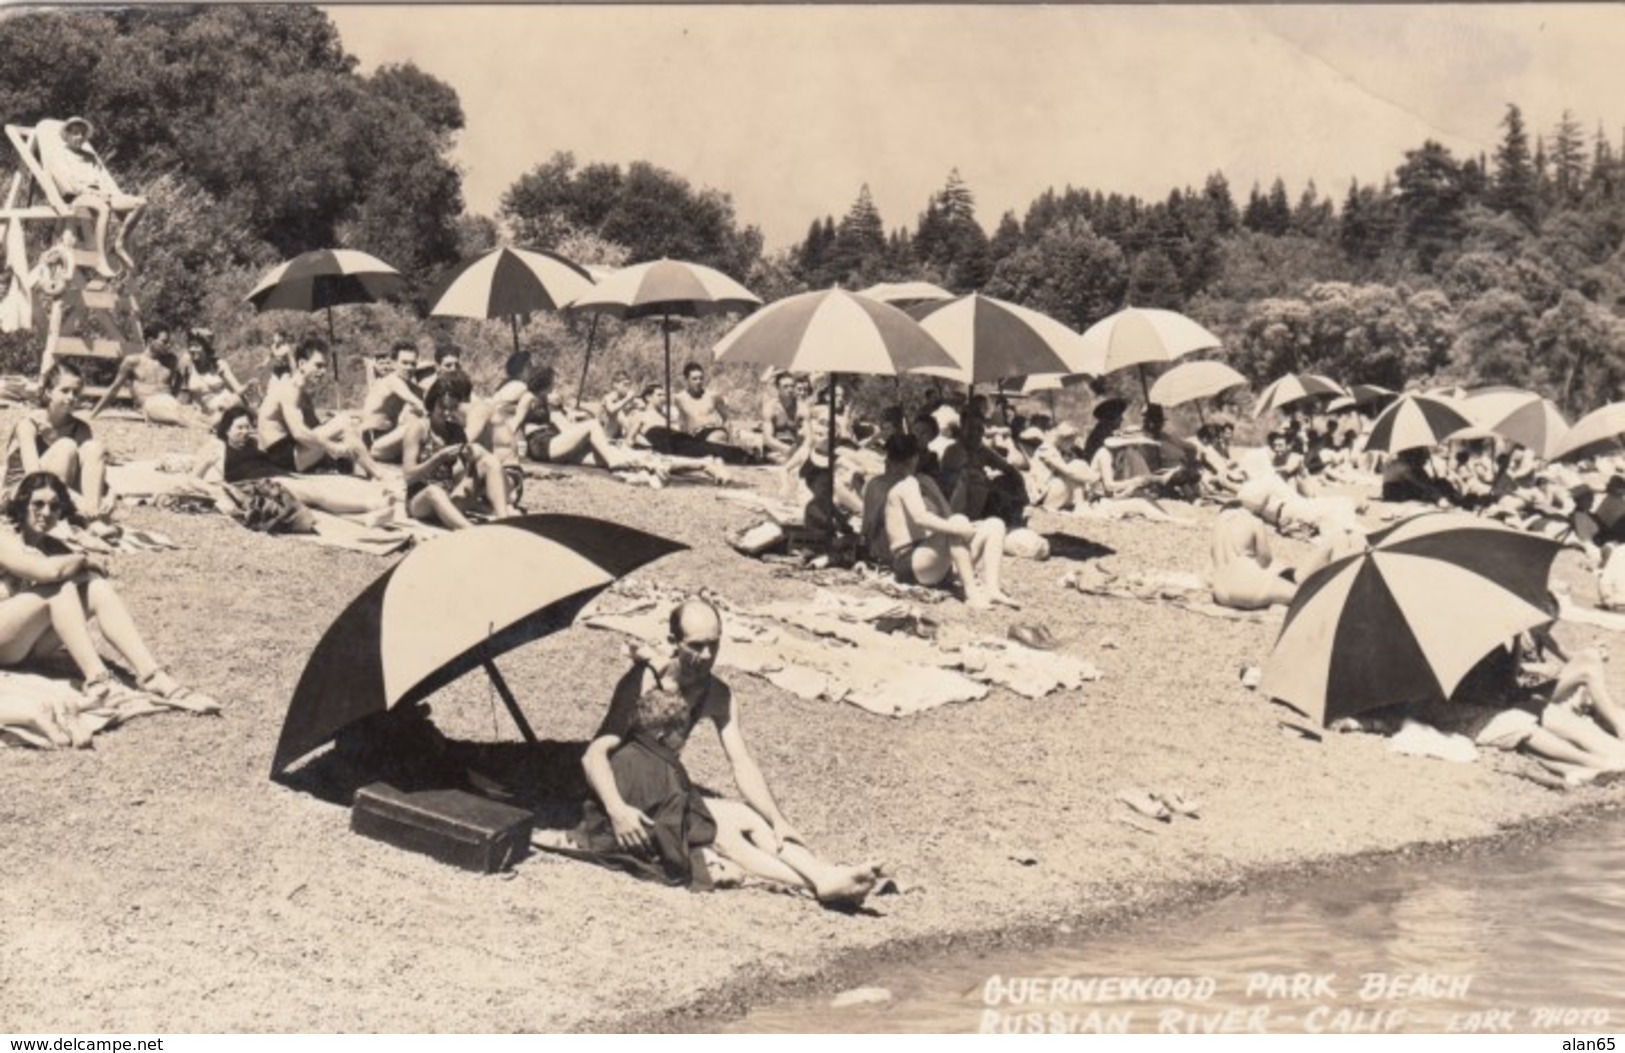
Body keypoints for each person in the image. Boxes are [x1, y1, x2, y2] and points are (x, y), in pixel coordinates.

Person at [548, 597, 885, 903]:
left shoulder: (717, 694)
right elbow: (594, 754)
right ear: (673, 643)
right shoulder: (644, 680)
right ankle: (821, 880)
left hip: (664, 791)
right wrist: (618, 811)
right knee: (725, 830)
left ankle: (824, 877)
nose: (707, 656)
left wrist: (778, 819)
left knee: (752, 818)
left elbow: (741, 763)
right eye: (696, 646)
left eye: (714, 645)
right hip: (626, 791)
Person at [0, 472, 218, 711]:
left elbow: (91, 575)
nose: (45, 512)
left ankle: (152, 675)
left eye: (54, 506)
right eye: (38, 504)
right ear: (22, 503)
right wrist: (82, 559)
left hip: (21, 647)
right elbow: (45, 572)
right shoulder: (5, 536)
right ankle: (98, 680)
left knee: (96, 587)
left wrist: (82, 565)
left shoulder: (52, 547)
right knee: (61, 587)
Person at [862, 433, 1017, 609]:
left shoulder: (923, 481)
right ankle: (971, 592)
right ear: (915, 458)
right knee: (956, 525)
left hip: (935, 558)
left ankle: (993, 589)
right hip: (911, 562)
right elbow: (921, 518)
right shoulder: (905, 484)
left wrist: (966, 526)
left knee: (994, 524)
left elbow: (948, 514)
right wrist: (959, 528)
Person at [189, 406, 392, 525]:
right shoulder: (216, 446)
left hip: (277, 477)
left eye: (247, 427)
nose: (245, 431)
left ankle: (368, 513)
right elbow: (192, 478)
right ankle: (371, 508)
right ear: (226, 429)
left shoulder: (251, 443)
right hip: (260, 485)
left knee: (318, 491)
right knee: (314, 494)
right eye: (239, 428)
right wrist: (215, 489)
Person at [257, 339, 389, 481]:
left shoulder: (301, 391)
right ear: (302, 364)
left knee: (347, 425)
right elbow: (299, 433)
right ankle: (378, 474)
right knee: (343, 423)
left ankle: (362, 474)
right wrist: (332, 447)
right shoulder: (291, 389)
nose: (323, 371)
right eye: (318, 366)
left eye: (325, 367)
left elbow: (314, 426)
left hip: (290, 452)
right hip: (282, 458)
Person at [401, 372, 513, 531]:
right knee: (434, 491)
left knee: (490, 461)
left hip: (448, 495)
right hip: (420, 500)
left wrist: (470, 461)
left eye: (452, 408)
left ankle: (505, 521)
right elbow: (408, 477)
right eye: (443, 408)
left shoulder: (456, 430)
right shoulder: (418, 429)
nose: (447, 413)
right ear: (432, 403)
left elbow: (463, 474)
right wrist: (438, 458)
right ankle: (469, 531)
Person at [37, 117, 146, 277]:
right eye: (75, 133)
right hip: (78, 196)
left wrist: (109, 193)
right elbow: (68, 185)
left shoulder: (90, 157)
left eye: (82, 134)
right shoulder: (58, 155)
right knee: (103, 208)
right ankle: (101, 260)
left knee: (140, 203)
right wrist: (93, 192)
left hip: (102, 194)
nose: (79, 137)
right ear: (67, 135)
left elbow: (105, 180)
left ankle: (120, 243)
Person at [4, 362, 109, 519]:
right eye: (65, 391)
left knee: (94, 448)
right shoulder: (28, 425)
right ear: (48, 392)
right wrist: (78, 499)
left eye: (76, 392)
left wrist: (109, 494)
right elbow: (34, 476)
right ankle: (68, 516)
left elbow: (88, 473)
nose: (71, 397)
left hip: (60, 494)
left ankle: (92, 519)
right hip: (22, 493)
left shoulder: (80, 429)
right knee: (66, 446)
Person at [1208, 508, 1349, 610]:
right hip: (1248, 589)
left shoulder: (1219, 524)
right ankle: (1342, 594)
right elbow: (1265, 560)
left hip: (1221, 592)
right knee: (1311, 598)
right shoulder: (1253, 521)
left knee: (1295, 577)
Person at [88, 327, 186, 425]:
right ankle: (183, 421)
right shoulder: (133, 361)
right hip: (149, 405)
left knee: (179, 409)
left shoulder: (170, 361)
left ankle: (182, 420)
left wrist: (173, 395)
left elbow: (180, 377)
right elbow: (114, 388)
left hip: (169, 403)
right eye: (164, 342)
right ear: (150, 341)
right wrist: (93, 414)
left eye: (169, 342)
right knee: (168, 411)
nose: (168, 345)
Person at [358, 341, 427, 464]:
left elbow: (427, 399)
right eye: (404, 363)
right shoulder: (392, 381)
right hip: (372, 444)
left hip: (387, 440)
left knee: (417, 419)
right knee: (420, 423)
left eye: (413, 364)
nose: (409, 368)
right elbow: (418, 403)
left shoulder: (410, 386)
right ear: (394, 363)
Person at [176, 328, 248, 419]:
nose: (192, 349)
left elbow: (238, 389)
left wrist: (248, 386)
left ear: (206, 348)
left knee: (233, 402)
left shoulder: (218, 364)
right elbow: (181, 393)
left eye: (197, 346)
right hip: (205, 412)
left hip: (228, 405)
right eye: (190, 346)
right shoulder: (188, 365)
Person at [759, 370, 801, 462]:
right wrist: (788, 450)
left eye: (792, 386)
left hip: (795, 447)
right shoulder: (770, 408)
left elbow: (807, 435)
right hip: (775, 449)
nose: (790, 389)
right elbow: (767, 439)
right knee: (782, 460)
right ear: (778, 388)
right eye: (785, 387)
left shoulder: (801, 408)